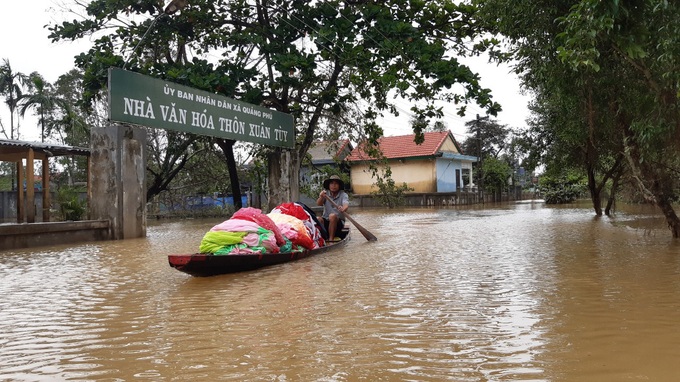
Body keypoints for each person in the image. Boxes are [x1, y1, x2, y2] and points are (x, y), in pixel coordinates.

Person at [316, 175, 349, 241]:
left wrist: (343, 208)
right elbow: (319, 204)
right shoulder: (325, 194)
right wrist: (321, 197)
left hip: (339, 225)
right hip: (327, 222)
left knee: (332, 216)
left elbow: (346, 205)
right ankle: (323, 239)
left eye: (336, 183)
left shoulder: (343, 194)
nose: (333, 185)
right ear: (329, 185)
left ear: (339, 186)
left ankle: (331, 240)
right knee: (318, 218)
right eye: (332, 183)